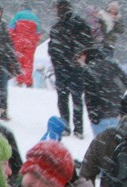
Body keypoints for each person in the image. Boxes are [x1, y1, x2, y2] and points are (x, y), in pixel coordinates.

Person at [49, 0, 94, 139]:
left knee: (66, 98)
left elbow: (53, 48)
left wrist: (59, 60)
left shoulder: (61, 27)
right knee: (74, 99)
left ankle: (69, 127)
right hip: (70, 67)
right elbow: (87, 44)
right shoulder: (79, 25)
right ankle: (75, 128)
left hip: (67, 67)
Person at [79, 45, 127, 137]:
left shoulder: (89, 70)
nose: (80, 61)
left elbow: (90, 95)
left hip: (100, 115)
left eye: (80, 57)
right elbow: (125, 81)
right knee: (116, 145)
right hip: (116, 112)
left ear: (86, 55)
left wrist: (93, 116)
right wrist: (118, 96)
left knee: (102, 148)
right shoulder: (112, 64)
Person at [8, 2, 41, 86]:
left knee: (19, 61)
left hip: (18, 41)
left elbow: (10, 29)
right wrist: (34, 40)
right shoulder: (35, 18)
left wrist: (12, 39)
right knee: (28, 62)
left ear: (22, 8)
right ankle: (28, 81)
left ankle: (19, 80)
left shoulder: (17, 16)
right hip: (30, 43)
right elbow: (38, 32)